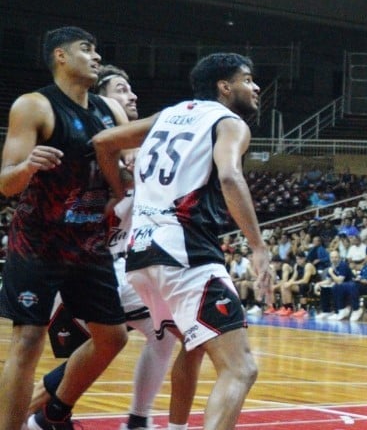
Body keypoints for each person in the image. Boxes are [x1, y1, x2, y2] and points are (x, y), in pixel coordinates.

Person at [95, 52, 273, 430]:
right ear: (224, 87)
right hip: (185, 253)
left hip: (141, 256)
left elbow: (103, 141)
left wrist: (120, 187)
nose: (255, 87)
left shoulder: (168, 115)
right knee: (240, 368)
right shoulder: (229, 122)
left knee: (193, 347)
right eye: (247, 79)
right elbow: (230, 177)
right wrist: (258, 247)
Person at [30, 65, 181, 430]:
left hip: (114, 268)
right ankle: (39, 416)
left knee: (154, 336)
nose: (132, 96)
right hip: (81, 267)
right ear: (100, 103)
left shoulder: (139, 150)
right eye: (121, 90)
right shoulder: (88, 154)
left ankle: (58, 417)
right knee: (143, 335)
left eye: (131, 89)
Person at [0, 27, 132, 430]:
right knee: (28, 340)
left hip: (89, 242)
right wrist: (27, 166)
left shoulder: (111, 112)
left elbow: (125, 178)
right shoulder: (34, 106)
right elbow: (6, 183)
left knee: (114, 337)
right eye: (86, 49)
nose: (96, 56)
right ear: (60, 56)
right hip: (38, 240)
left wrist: (128, 176)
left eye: (97, 50)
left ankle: (53, 410)